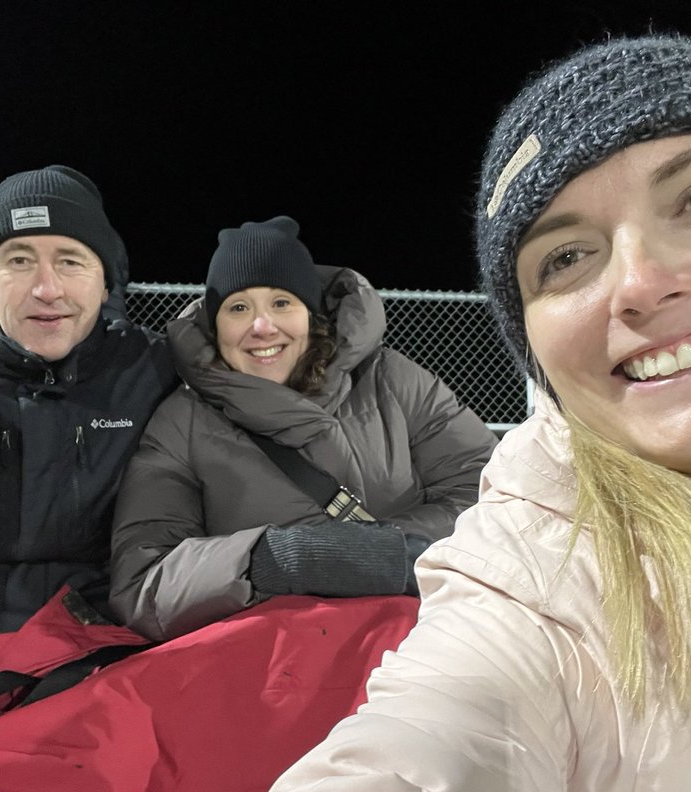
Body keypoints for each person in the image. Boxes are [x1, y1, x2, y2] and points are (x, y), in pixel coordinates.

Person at [45, 35, 691, 792]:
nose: (641, 283)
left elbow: (469, 492)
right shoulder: (184, 424)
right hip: (295, 668)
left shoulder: (400, 388)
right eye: (567, 257)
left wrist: (385, 554)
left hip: (392, 616)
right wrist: (270, 557)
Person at [109, 216, 496, 641]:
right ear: (214, 326)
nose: (262, 327)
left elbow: (491, 499)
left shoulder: (392, 380)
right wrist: (273, 559)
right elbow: (143, 585)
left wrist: (376, 553)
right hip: (270, 668)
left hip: (417, 643)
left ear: (311, 317)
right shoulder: (180, 422)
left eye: (281, 303)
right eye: (238, 308)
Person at [0, 164, 177, 633]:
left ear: (105, 281)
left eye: (71, 261)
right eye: (18, 260)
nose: (46, 289)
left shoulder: (157, 369)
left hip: (109, 642)